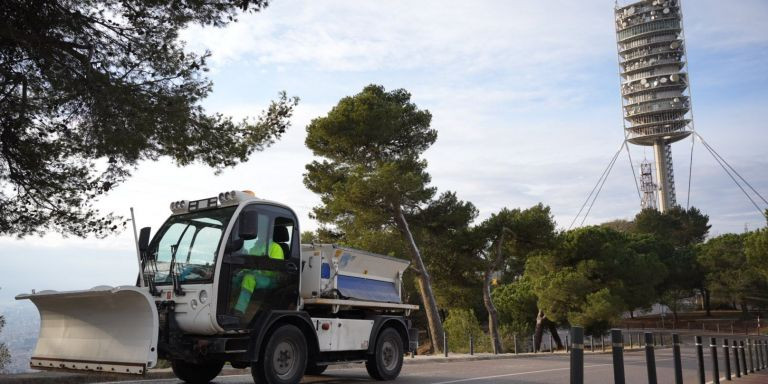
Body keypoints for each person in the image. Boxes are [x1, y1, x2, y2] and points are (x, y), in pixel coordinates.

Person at [233, 229, 285, 315]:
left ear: (269, 232)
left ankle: (239, 310)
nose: (260, 233)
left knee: (249, 279)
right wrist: (242, 271)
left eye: (263, 231)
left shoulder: (276, 247)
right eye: (260, 231)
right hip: (255, 275)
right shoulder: (254, 248)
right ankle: (229, 306)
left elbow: (275, 270)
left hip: (270, 279)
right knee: (234, 278)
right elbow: (249, 265)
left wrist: (258, 270)